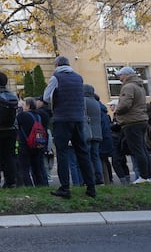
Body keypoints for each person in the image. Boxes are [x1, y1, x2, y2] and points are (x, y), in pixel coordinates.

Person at [43, 56, 96, 199]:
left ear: (57, 65)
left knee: (62, 152)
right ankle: (91, 187)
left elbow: (46, 97)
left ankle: (65, 188)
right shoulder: (79, 78)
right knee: (83, 152)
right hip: (79, 118)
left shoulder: (56, 77)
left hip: (63, 118)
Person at [113, 66, 151, 184]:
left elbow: (125, 104)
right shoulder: (139, 86)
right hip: (141, 120)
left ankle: (143, 177)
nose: (119, 77)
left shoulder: (128, 86)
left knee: (137, 150)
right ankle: (149, 176)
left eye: (120, 74)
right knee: (143, 149)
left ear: (127, 75)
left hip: (131, 121)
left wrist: (116, 110)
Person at [16, 97, 49, 187]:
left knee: (24, 169)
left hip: (25, 145)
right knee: (37, 168)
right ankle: (40, 186)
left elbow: (16, 126)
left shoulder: (22, 116)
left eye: (24, 104)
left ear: (28, 106)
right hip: (37, 144)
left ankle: (29, 186)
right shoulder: (38, 116)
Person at [84, 84, 104, 185]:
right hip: (97, 133)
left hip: (87, 133)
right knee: (95, 156)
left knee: (87, 156)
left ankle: (90, 178)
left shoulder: (83, 101)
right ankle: (99, 178)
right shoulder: (96, 102)